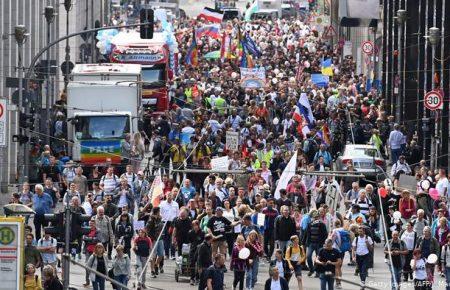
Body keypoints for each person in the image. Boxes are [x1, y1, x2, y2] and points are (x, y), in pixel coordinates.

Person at [304, 210, 328, 278]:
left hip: (319, 244)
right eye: (314, 217)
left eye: (317, 217)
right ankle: (311, 270)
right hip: (311, 243)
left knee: (318, 258)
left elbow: (325, 234)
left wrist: (323, 242)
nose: (315, 218)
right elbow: (306, 234)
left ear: (318, 217)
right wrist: (304, 242)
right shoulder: (309, 224)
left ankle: (317, 272)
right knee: (308, 257)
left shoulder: (322, 224)